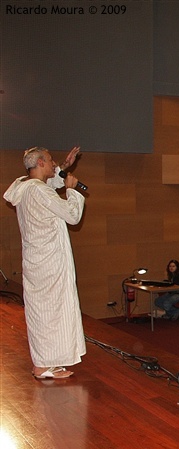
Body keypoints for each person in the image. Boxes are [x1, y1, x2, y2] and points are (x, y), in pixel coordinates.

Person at [4, 146, 85, 379]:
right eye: (50, 161)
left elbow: (48, 187)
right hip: (48, 263)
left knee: (48, 313)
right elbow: (72, 215)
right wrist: (71, 191)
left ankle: (48, 361)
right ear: (40, 163)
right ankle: (41, 365)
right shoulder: (38, 191)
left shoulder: (28, 187)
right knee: (48, 313)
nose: (54, 164)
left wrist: (64, 168)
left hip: (41, 261)